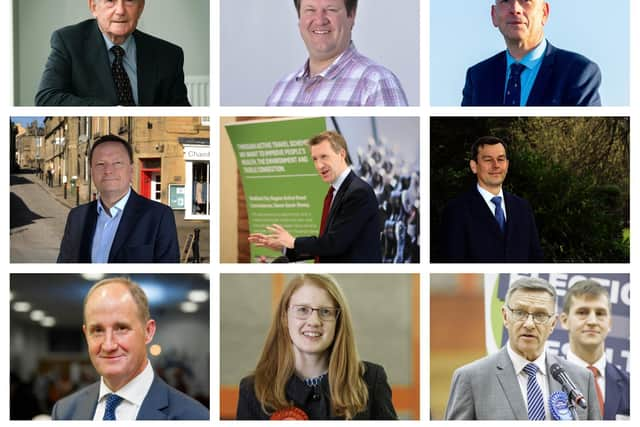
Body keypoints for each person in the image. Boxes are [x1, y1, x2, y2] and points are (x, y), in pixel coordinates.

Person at [236, 274, 397, 420]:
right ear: (284, 317)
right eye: (302, 310)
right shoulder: (253, 389)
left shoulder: (371, 380)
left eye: (325, 312)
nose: (314, 321)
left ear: (338, 321)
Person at [51, 277, 209, 420]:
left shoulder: (194, 417)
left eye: (121, 328)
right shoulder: (64, 412)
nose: (108, 345)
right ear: (86, 334)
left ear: (148, 331)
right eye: (97, 330)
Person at [445, 277, 601, 420]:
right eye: (520, 313)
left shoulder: (582, 379)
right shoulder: (471, 379)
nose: (529, 324)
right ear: (506, 317)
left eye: (540, 315)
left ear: (553, 323)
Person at [248, 131, 381, 263]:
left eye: (324, 156)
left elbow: (334, 244)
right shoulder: (335, 191)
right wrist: (285, 247)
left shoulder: (358, 192)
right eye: (315, 159)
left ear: (341, 154)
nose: (319, 165)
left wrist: (293, 242)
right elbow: (325, 248)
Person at [35, 0, 190, 106]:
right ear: (93, 6)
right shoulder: (68, 42)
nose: (121, 10)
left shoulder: (169, 55)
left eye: (129, 0)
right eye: (110, 0)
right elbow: (47, 98)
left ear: (141, 6)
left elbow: (182, 113)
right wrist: (112, 111)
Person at [57, 135, 179, 263]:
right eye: (100, 164)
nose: (108, 170)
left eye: (117, 163)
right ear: (91, 172)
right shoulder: (77, 217)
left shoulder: (159, 216)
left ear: (131, 170)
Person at [265, 0, 408, 106]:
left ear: (351, 15)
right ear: (299, 18)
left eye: (331, 9)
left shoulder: (375, 82)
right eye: (310, 10)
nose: (320, 20)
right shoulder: (280, 90)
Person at [462, 0, 601, 106]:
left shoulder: (578, 73)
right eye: (505, 0)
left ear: (544, 13)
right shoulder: (478, 77)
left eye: (525, 0)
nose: (515, 9)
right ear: (493, 15)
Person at [440, 136, 543, 262]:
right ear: (474, 166)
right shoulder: (456, 211)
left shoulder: (522, 207)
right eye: (488, 160)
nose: (496, 165)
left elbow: (535, 259)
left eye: (501, 159)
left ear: (507, 165)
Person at [560, 280, 630, 420]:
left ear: (609, 323)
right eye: (582, 312)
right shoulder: (544, 380)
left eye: (600, 313)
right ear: (564, 321)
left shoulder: (631, 385)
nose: (592, 321)